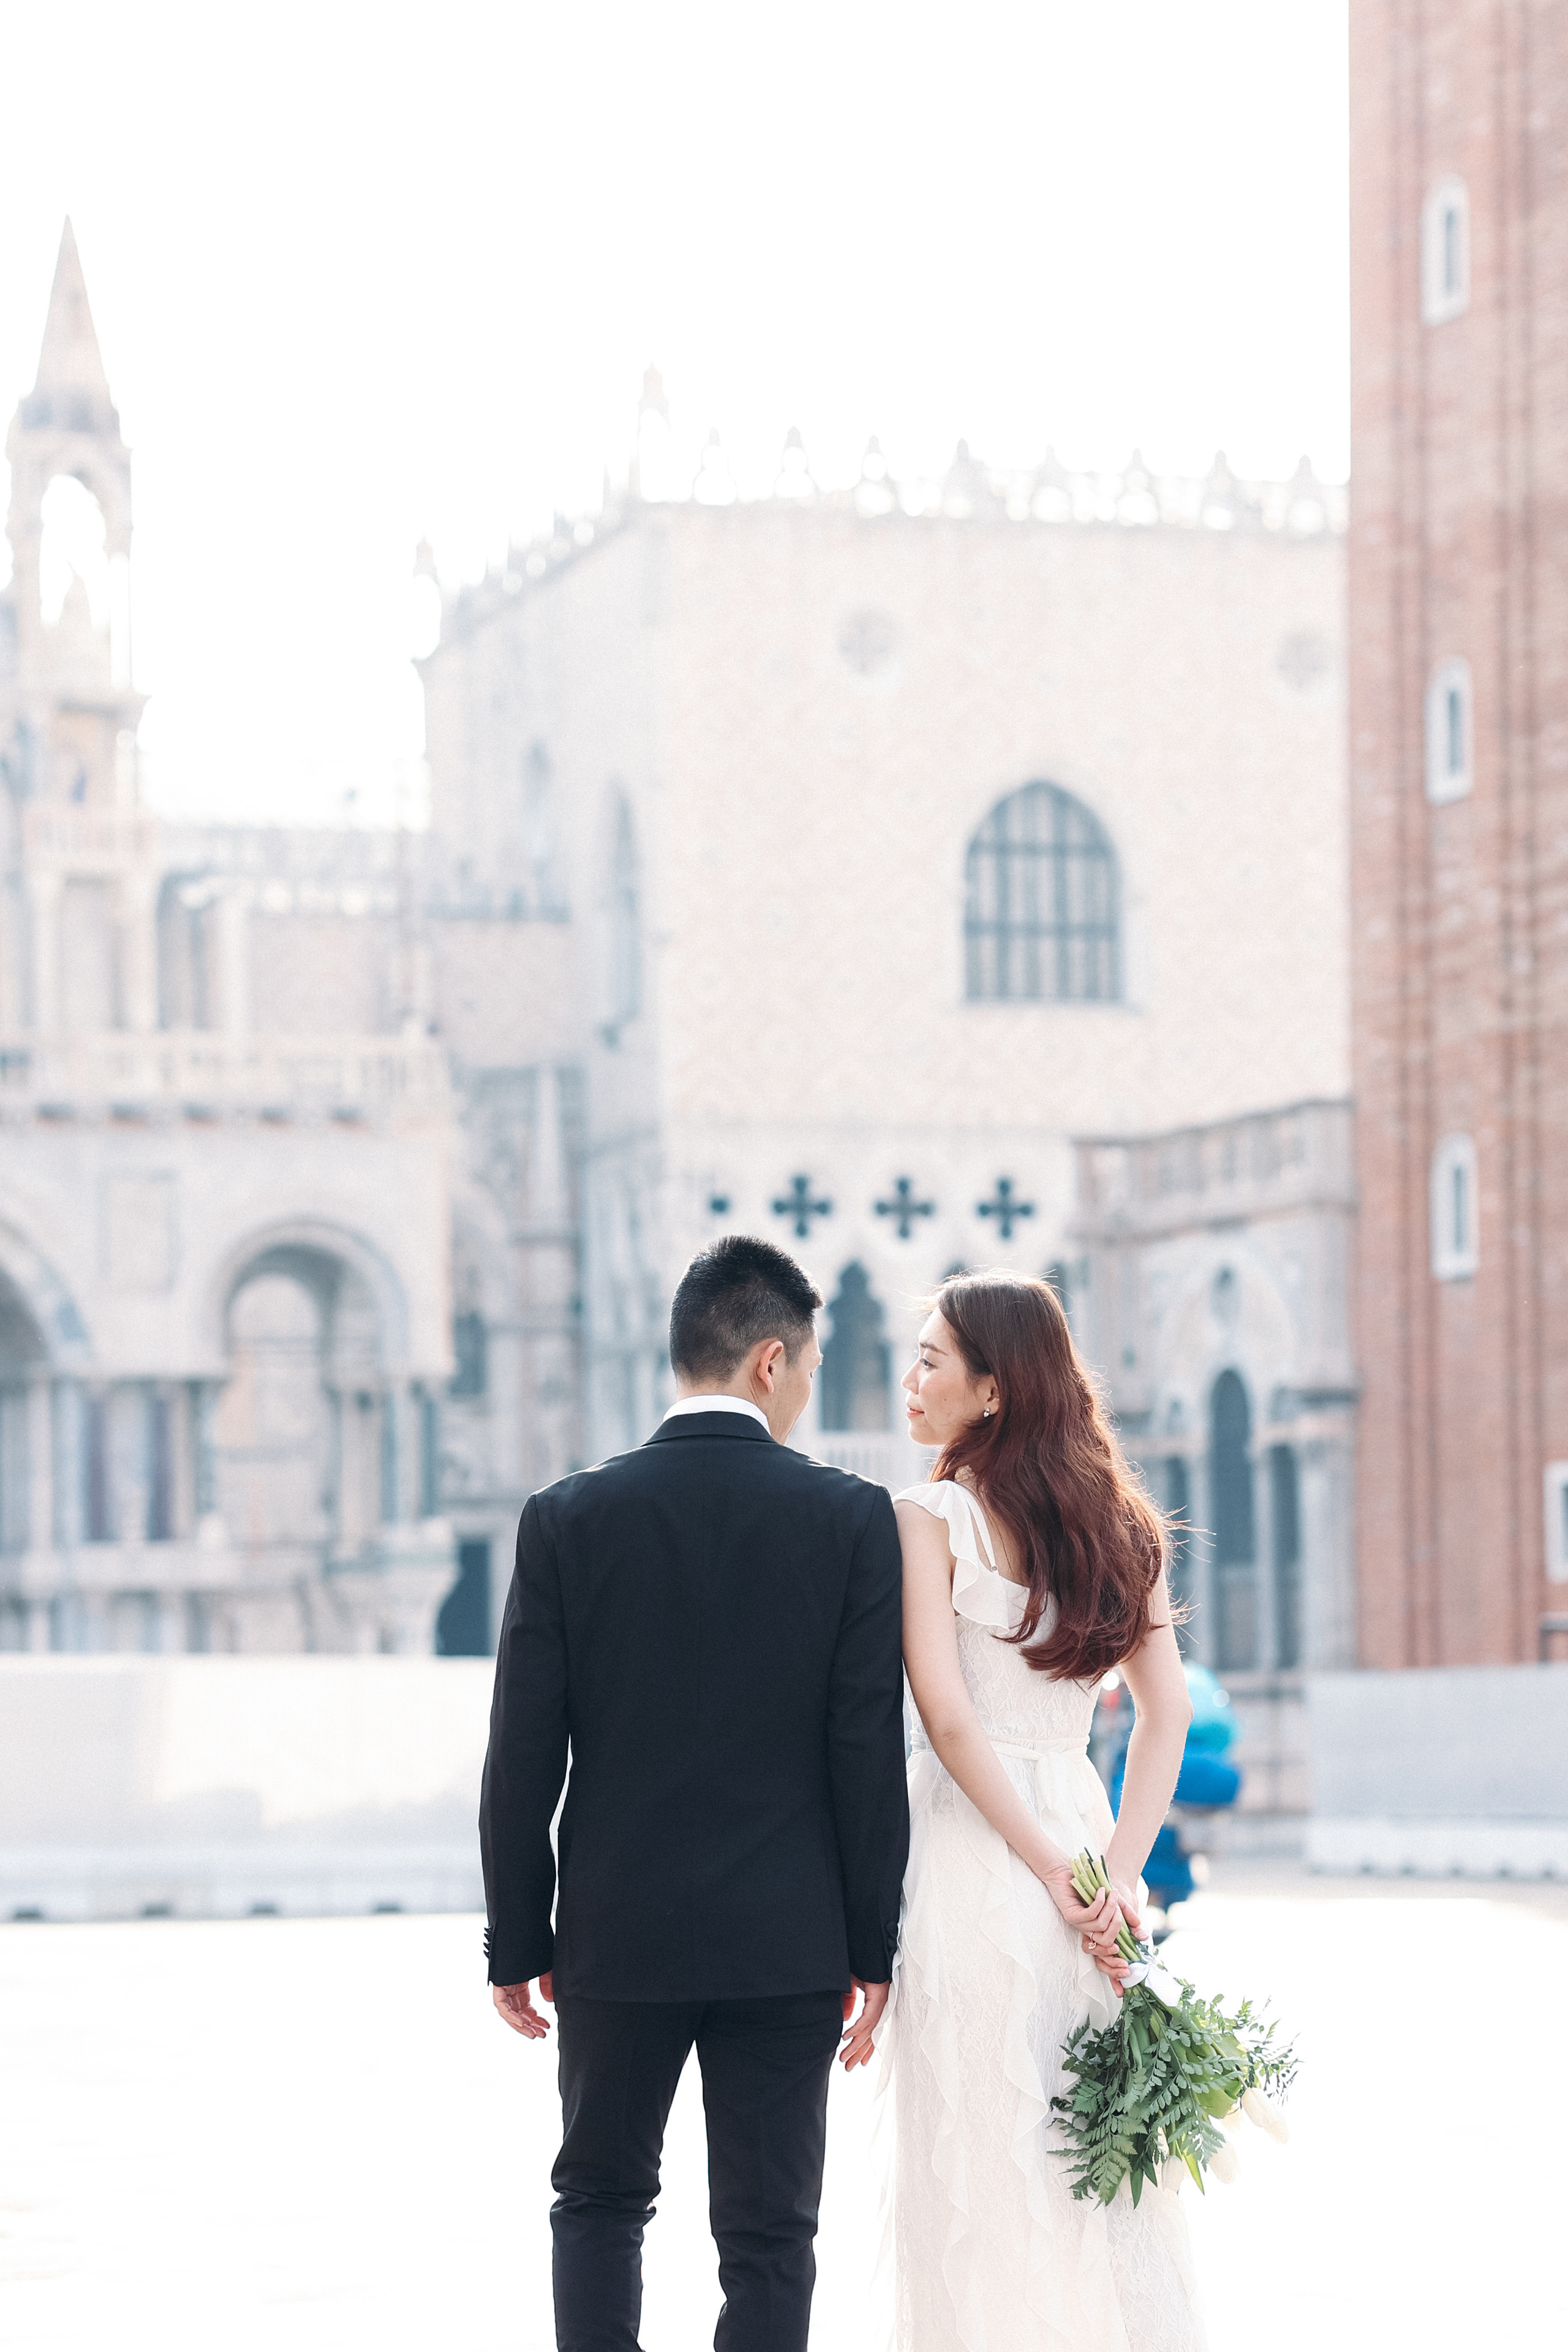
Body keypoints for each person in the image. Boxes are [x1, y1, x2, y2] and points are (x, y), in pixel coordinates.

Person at [480, 1234, 909, 2352]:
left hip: (619, 1935)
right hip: (790, 1938)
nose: (810, 1391)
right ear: (771, 1362)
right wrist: (875, 1946)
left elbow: (522, 1758)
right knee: (772, 2234)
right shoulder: (851, 1519)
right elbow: (864, 1750)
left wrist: (516, 1941)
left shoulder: (566, 1518)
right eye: (810, 1368)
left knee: (602, 2203)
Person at [873, 1269, 1204, 2352]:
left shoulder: (929, 1515)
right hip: (1080, 1829)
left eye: (932, 1358)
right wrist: (1117, 1876)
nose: (910, 1375)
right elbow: (1168, 1716)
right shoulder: (1124, 1521)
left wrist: (1059, 1875)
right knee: (1089, 2164)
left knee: (981, 2156)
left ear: (995, 1389)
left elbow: (952, 1721)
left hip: (977, 1851)